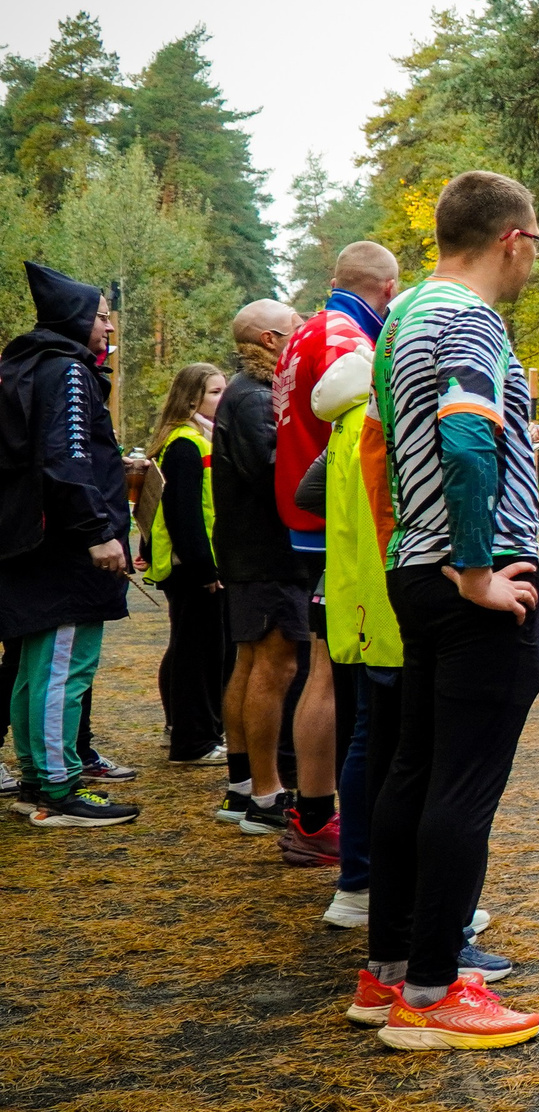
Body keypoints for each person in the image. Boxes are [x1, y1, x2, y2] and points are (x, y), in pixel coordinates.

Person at [353, 169, 539, 1048]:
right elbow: (468, 436)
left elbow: (387, 446)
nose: (535, 258)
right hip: (474, 572)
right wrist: (475, 568)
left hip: (415, 565)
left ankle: (389, 970)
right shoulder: (470, 318)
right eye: (536, 241)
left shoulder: (402, 317)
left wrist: (422, 550)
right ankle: (433, 993)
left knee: (415, 769)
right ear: (511, 238)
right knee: (462, 784)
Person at [270, 241, 401, 866]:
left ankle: (317, 811)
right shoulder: (347, 338)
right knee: (335, 676)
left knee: (325, 670)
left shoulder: (302, 332)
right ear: (388, 287)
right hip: (337, 528)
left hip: (307, 519)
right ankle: (320, 816)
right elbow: (358, 425)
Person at [0, 263, 138, 827]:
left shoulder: (29, 365)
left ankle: (37, 780)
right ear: (75, 318)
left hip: (35, 544)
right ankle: (59, 791)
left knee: (35, 667)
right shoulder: (69, 371)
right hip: (67, 549)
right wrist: (98, 532)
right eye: (102, 316)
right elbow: (67, 458)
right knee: (63, 667)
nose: (110, 326)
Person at [213, 297, 306, 837]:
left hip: (252, 552)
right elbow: (273, 470)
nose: (303, 331)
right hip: (268, 554)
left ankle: (243, 785)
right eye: (295, 325)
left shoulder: (246, 390)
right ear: (269, 340)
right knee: (275, 667)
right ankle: (267, 795)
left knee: (251, 664)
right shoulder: (253, 395)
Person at [144, 362, 228, 768]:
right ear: (191, 398)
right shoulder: (185, 443)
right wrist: (204, 569)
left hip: (198, 564)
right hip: (193, 568)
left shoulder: (201, 439)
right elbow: (183, 513)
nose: (223, 399)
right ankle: (193, 741)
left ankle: (192, 729)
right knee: (196, 654)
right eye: (214, 392)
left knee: (192, 649)